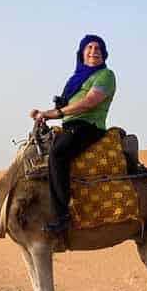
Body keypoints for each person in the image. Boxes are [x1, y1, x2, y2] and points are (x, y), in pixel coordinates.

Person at [29, 34, 116, 233]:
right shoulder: (74, 80)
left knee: (58, 154)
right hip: (70, 126)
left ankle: (62, 216)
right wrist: (43, 114)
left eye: (98, 49)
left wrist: (55, 113)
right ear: (82, 53)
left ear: (104, 55)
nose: (94, 52)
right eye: (90, 48)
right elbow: (65, 107)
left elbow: (89, 102)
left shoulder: (105, 75)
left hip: (88, 126)